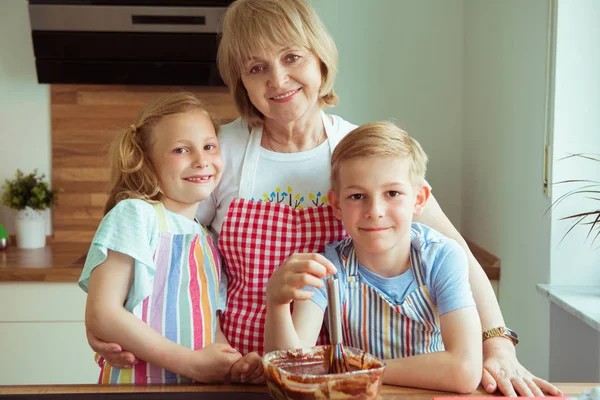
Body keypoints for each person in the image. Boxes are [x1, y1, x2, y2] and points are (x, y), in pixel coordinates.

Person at [87, 0, 561, 396]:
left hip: (335, 378)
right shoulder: (220, 152)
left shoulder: (359, 154)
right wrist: (104, 322)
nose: (277, 79)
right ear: (242, 83)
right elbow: (157, 242)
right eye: (257, 67)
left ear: (320, 61)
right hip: (235, 370)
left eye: (291, 57)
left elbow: (452, 247)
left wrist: (498, 343)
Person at [264, 122, 482, 393]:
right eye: (357, 196)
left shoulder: (442, 258)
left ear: (419, 199)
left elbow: (465, 370)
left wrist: (357, 370)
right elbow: (293, 374)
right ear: (336, 205)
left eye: (392, 193)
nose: (375, 210)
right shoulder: (328, 268)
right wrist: (277, 304)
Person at [79, 92, 264, 384]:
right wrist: (190, 363)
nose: (201, 160)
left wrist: (234, 364)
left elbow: (208, 327)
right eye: (181, 150)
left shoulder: (208, 241)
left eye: (209, 146)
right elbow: (102, 314)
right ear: (147, 161)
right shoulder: (135, 215)